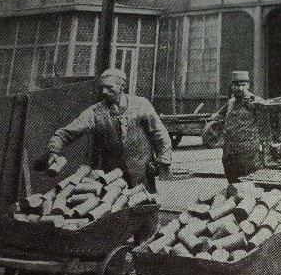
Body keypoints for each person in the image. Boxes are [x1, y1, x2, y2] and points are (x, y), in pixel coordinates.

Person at [38, 67, 173, 192]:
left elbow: (159, 134)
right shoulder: (95, 112)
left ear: (122, 86)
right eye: (101, 87)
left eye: (109, 87)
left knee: (144, 210)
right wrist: (54, 150)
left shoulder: (141, 105)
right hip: (111, 177)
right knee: (114, 210)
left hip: (142, 174)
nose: (104, 92)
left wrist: (162, 162)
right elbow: (67, 132)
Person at [201, 70, 264, 183]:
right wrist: (213, 119)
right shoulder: (231, 102)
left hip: (247, 152)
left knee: (248, 183)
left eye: (243, 85)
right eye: (237, 85)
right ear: (232, 86)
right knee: (232, 182)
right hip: (229, 151)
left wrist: (248, 100)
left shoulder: (254, 100)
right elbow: (218, 115)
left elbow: (265, 110)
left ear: (248, 85)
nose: (240, 88)